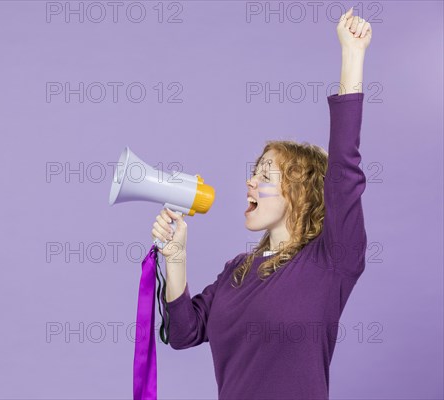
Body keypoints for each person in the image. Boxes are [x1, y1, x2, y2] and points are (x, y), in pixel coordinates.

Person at [151, 7, 372, 400]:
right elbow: (183, 333)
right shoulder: (237, 270)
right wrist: (176, 256)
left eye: (266, 175)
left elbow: (344, 169)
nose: (250, 181)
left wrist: (352, 56)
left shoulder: (331, 261)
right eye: (254, 170)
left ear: (300, 194)